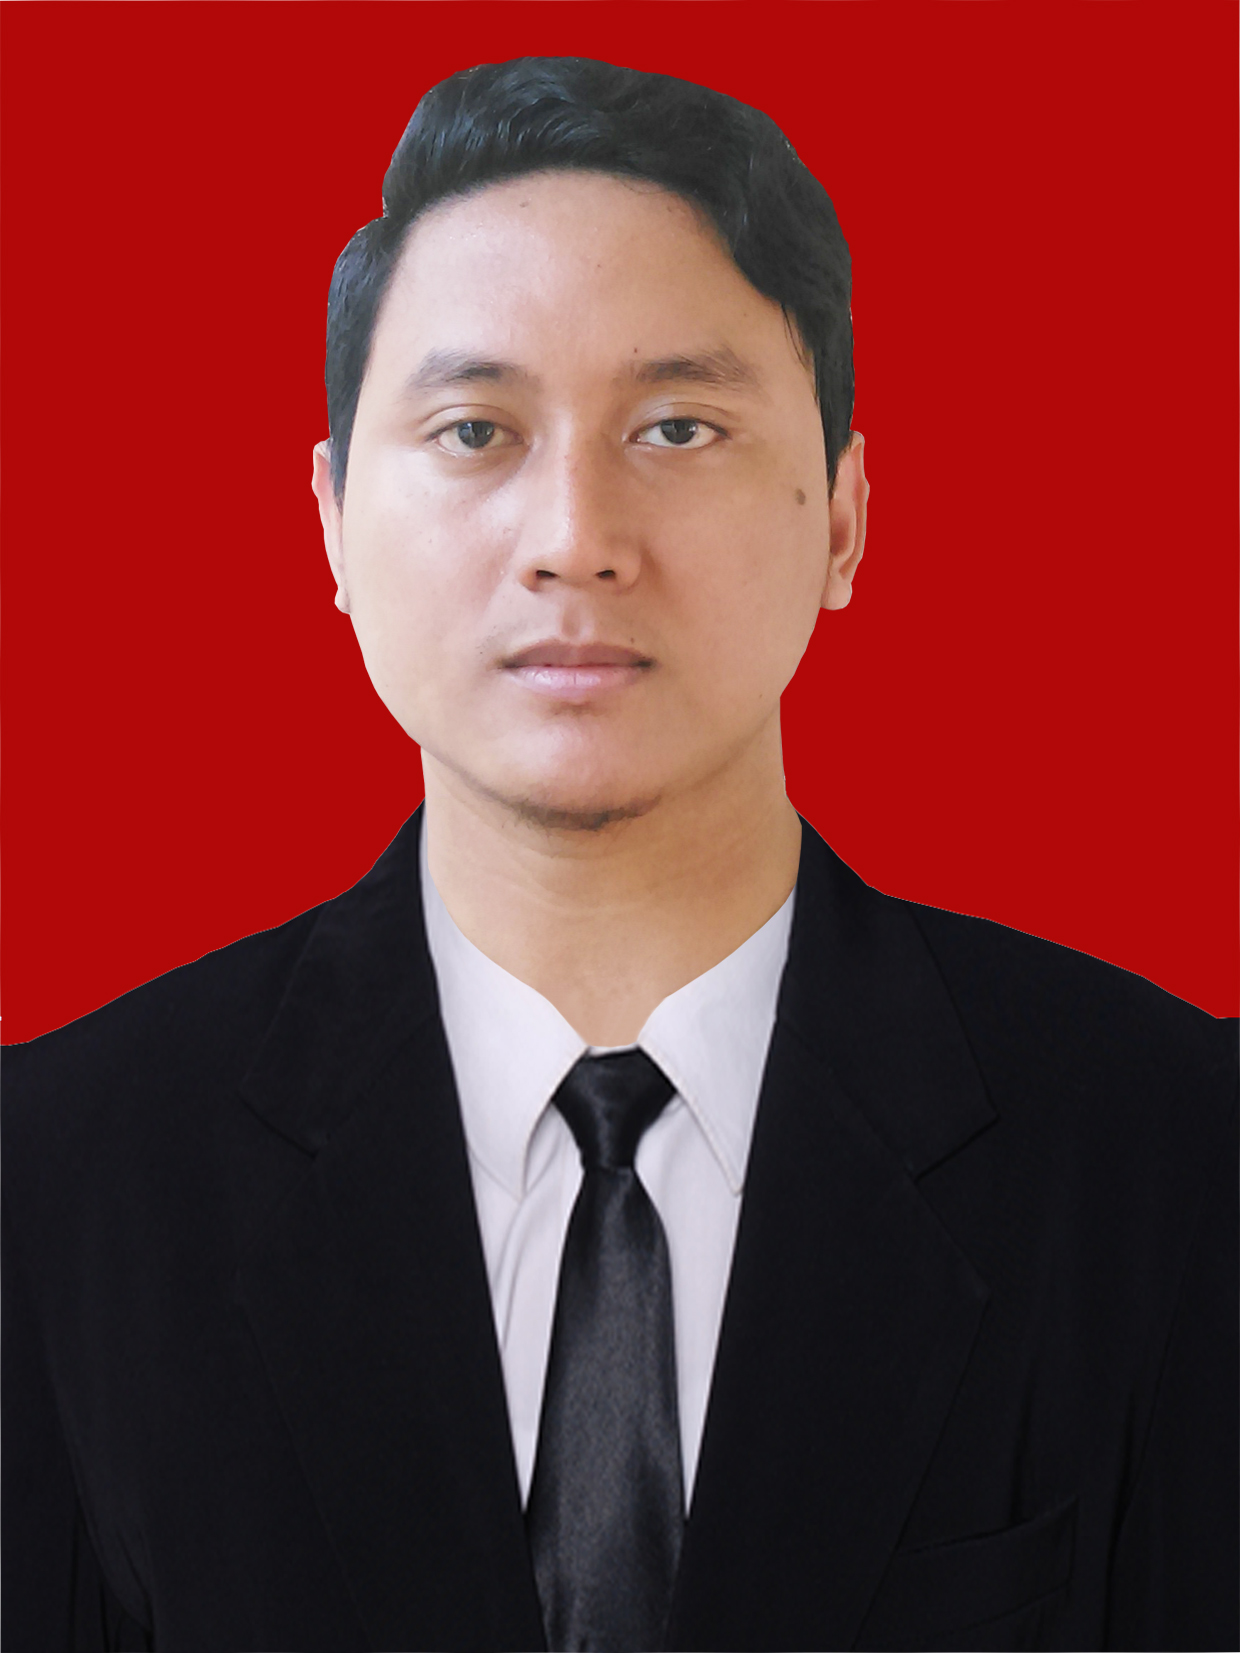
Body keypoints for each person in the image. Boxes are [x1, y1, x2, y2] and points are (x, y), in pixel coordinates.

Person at [2, 54, 1234, 1653]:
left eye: (676, 425)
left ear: (844, 513)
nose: (575, 535)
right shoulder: (61, 1182)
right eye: (475, 429)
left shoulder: (1171, 1156)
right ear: (331, 521)